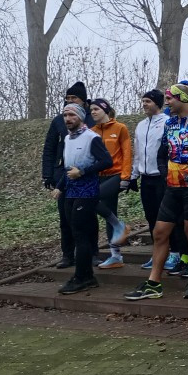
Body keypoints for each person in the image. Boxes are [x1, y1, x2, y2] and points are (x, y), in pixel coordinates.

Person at [124, 84, 188, 301]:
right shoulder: (170, 124)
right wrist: (167, 174)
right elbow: (162, 152)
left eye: (170, 98)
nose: (166, 103)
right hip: (172, 187)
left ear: (183, 99)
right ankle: (154, 283)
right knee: (159, 232)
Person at [53, 103, 113, 294]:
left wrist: (83, 172)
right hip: (71, 192)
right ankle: (87, 276)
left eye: (71, 115)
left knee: (80, 233)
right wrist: (59, 187)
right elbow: (69, 167)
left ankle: (81, 277)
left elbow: (106, 161)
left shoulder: (91, 138)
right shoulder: (68, 139)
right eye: (65, 115)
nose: (67, 119)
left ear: (80, 117)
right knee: (76, 232)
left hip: (87, 193)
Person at [42, 81, 94, 269]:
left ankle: (91, 253)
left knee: (87, 217)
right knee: (65, 217)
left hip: (87, 176)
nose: (69, 101)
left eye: (74, 98)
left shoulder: (93, 118)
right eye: (67, 99)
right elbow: (49, 148)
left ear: (84, 101)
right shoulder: (58, 121)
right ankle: (67, 254)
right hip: (62, 176)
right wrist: (48, 174)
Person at [88, 98, 131, 269]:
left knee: (93, 198)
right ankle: (116, 256)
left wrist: (126, 177)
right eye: (91, 110)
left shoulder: (120, 128)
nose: (93, 112)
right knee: (109, 214)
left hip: (116, 174)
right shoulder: (90, 132)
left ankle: (119, 225)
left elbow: (127, 152)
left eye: (96, 109)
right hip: (98, 176)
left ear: (105, 110)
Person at [131, 90, 170, 270]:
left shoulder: (167, 122)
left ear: (157, 103)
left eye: (148, 101)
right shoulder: (140, 125)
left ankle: (173, 253)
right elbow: (138, 153)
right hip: (146, 179)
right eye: (143, 101)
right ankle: (157, 254)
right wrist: (133, 176)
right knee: (151, 218)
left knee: (167, 218)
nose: (144, 104)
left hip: (162, 177)